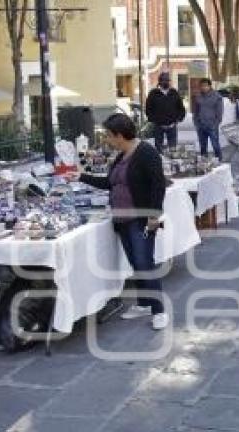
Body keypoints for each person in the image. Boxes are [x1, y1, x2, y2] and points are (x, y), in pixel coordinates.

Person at [66, 114, 168, 328]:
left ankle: (159, 310)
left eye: (109, 136)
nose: (107, 140)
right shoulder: (121, 155)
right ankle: (143, 303)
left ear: (120, 135)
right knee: (135, 263)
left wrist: (154, 215)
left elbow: (158, 185)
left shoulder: (146, 154)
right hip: (122, 219)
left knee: (144, 263)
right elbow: (110, 183)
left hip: (141, 219)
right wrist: (81, 177)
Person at [144, 72, 186, 152]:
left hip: (172, 126)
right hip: (158, 126)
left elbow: (181, 108)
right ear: (159, 82)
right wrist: (154, 120)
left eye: (167, 80)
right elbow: (148, 109)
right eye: (164, 80)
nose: (166, 82)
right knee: (158, 149)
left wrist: (178, 119)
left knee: (173, 149)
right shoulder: (153, 93)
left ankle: (173, 163)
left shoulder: (174, 93)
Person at [192, 78, 224, 160]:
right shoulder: (198, 97)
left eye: (206, 86)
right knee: (202, 147)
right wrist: (196, 122)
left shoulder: (217, 97)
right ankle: (203, 164)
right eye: (202, 86)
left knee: (215, 145)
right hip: (201, 126)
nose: (204, 87)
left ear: (210, 86)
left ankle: (219, 161)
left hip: (212, 126)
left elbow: (219, 113)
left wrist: (216, 123)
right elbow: (195, 111)